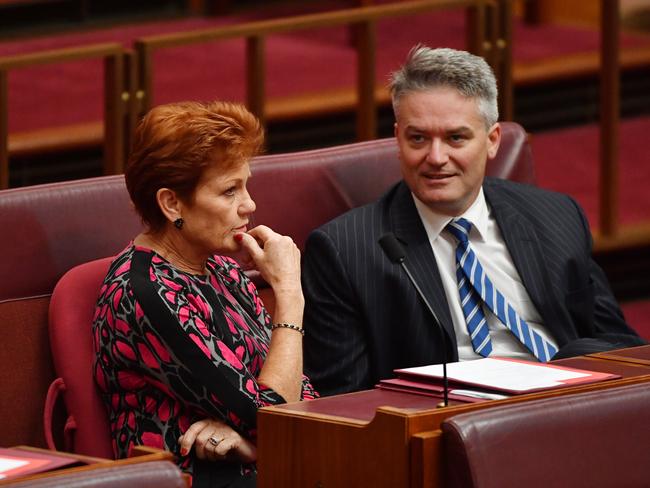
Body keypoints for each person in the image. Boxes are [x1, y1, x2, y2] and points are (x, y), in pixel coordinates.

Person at [302, 45, 646, 397]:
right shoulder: (346, 250)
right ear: (398, 139)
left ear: (492, 140)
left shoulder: (554, 216)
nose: (436, 158)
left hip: (566, 403)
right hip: (449, 426)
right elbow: (343, 400)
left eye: (455, 138)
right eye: (418, 138)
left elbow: (622, 347)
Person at [92, 100, 317, 487]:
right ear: (172, 203)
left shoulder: (223, 269)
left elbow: (304, 396)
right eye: (230, 191)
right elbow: (276, 416)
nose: (250, 205)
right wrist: (290, 295)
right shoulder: (144, 293)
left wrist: (253, 443)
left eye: (246, 185)